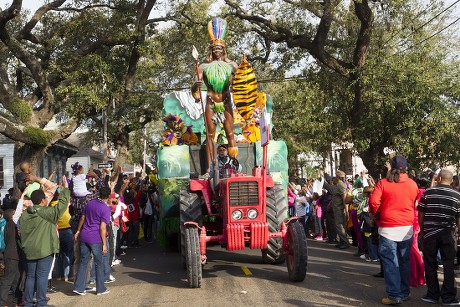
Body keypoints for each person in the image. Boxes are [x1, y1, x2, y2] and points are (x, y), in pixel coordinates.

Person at [369, 155, 419, 305]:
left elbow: (373, 202)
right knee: (404, 261)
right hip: (406, 228)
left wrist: (376, 212)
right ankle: (404, 293)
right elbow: (414, 201)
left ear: (391, 167)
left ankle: (394, 296)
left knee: (391, 262)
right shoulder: (412, 184)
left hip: (388, 228)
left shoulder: (383, 183)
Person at [192, 18, 238, 172]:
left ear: (224, 50)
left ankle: (234, 166)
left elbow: (241, 81)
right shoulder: (204, 67)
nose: (217, 50)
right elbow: (196, 92)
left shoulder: (231, 66)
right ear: (211, 50)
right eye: (214, 48)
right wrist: (195, 87)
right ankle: (211, 169)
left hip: (225, 102)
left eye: (219, 47)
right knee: (210, 136)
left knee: (231, 134)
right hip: (210, 103)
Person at [20, 176, 69, 307]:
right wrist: (65, 189)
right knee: (41, 276)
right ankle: (41, 302)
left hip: (29, 249)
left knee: (30, 276)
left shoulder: (24, 214)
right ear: (42, 200)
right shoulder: (46, 212)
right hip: (44, 249)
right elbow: (62, 206)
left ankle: (28, 302)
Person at [418, 169, 460, 305]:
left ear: (439, 179)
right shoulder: (457, 195)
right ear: (451, 180)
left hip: (430, 234)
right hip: (448, 233)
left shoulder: (428, 193)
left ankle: (433, 295)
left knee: (430, 263)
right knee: (448, 264)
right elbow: (459, 218)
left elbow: (421, 214)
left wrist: (423, 230)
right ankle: (449, 297)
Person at [73, 186, 111, 296]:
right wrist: (104, 244)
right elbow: (102, 228)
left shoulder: (90, 203)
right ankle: (100, 289)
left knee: (83, 261)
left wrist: (78, 231)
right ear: (108, 196)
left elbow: (82, 218)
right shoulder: (105, 209)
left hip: (84, 235)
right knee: (99, 263)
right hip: (96, 238)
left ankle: (79, 287)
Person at [331, 170, 350, 249]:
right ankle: (341, 241)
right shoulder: (337, 184)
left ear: (338, 177)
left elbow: (344, 198)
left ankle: (345, 242)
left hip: (340, 209)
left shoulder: (341, 185)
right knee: (338, 226)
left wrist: (346, 210)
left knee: (340, 226)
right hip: (336, 208)